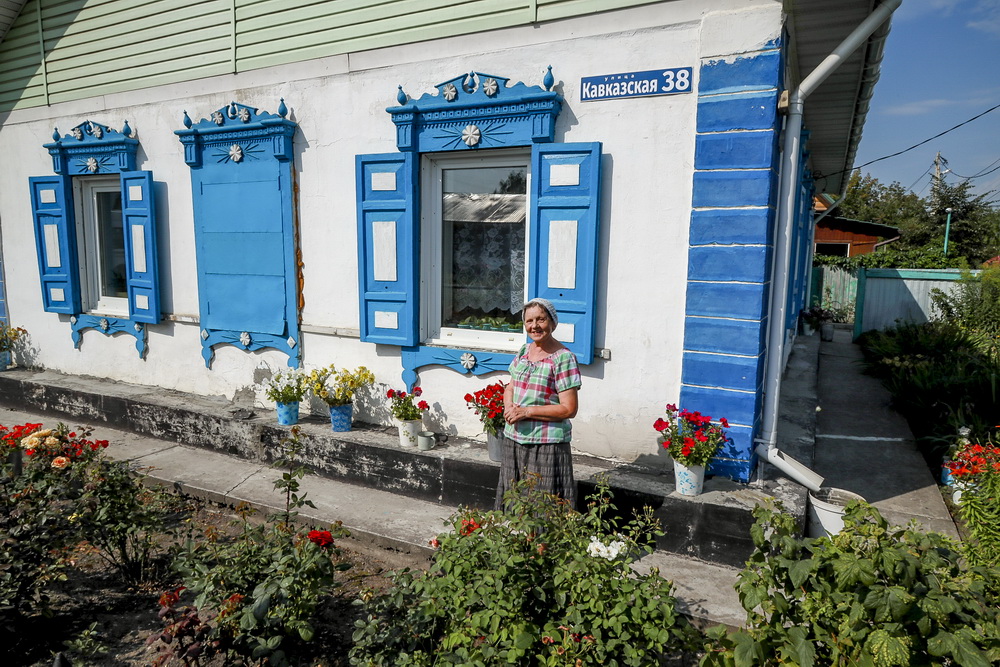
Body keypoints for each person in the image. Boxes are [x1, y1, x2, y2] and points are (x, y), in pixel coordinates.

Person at [495, 297, 581, 510]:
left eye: (541, 319)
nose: (535, 326)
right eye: (529, 321)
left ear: (552, 322)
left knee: (544, 504)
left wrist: (526, 412)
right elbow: (511, 387)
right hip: (514, 438)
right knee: (515, 500)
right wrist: (509, 407)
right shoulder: (524, 351)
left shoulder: (563, 358)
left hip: (546, 443)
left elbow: (569, 408)